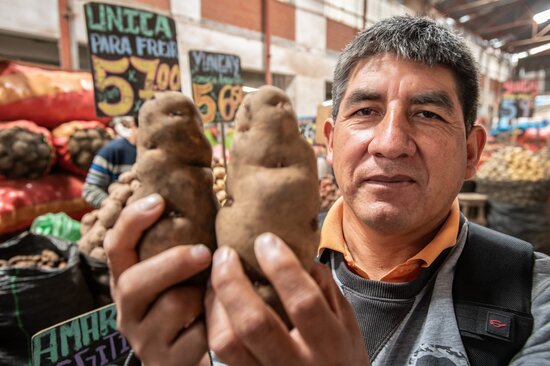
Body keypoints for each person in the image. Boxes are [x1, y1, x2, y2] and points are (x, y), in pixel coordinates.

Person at [104, 16, 550, 366]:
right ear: (329, 141)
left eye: (428, 115)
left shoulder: (534, 299)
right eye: (366, 110)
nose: (390, 143)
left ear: (472, 152)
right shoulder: (227, 270)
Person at [82, 116, 138, 208]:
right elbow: (89, 189)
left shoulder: (163, 154)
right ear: (133, 125)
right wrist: (110, 205)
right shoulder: (112, 151)